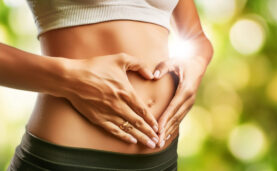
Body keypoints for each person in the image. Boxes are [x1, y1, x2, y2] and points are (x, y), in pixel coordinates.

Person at [2, 0, 213, 170]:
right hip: (67, 159)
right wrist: (68, 78)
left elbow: (196, 38)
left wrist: (197, 63)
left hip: (162, 161)